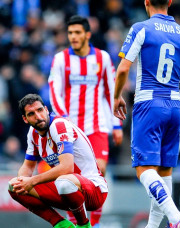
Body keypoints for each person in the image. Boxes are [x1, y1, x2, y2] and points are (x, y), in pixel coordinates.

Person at [113, 0, 180, 227]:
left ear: (146, 2)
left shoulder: (141, 28)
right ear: (170, 2)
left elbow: (122, 68)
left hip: (148, 103)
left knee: (144, 169)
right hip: (174, 106)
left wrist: (116, 96)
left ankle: (176, 218)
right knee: (164, 172)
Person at [48, 15, 123, 226]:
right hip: (70, 128)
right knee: (70, 178)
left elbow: (112, 93)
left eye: (77, 32)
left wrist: (116, 124)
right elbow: (55, 93)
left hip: (96, 125)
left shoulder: (103, 59)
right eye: (70, 32)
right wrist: (64, 121)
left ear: (87, 34)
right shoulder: (61, 59)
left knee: (98, 171)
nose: (73, 36)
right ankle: (78, 223)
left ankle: (95, 223)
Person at [8, 94, 108, 228]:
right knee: (14, 186)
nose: (38, 117)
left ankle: (83, 225)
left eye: (39, 110)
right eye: (31, 114)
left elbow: (67, 168)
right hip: (66, 193)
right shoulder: (33, 133)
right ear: (25, 119)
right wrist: (23, 182)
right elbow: (27, 167)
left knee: (64, 182)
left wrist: (31, 182)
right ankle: (61, 225)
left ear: (46, 109)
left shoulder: (59, 126)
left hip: (93, 191)